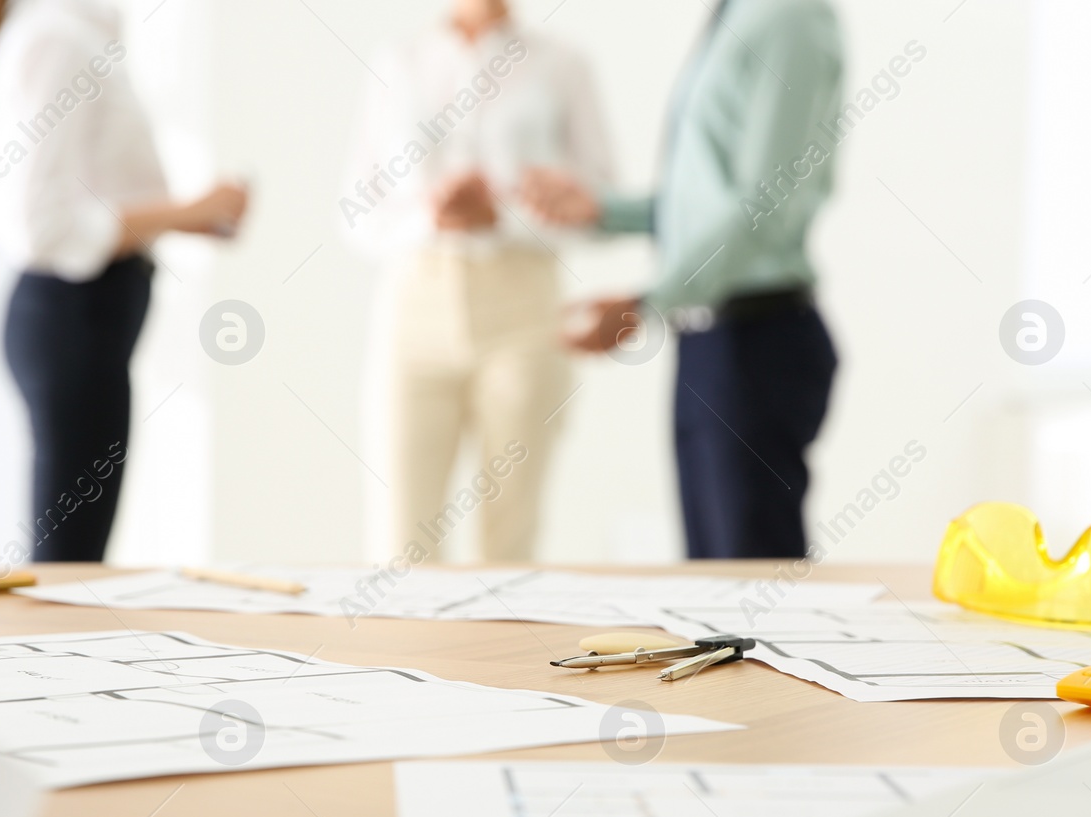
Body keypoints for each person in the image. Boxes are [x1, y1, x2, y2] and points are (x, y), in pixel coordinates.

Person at [522, 0, 843, 559]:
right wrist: (604, 210)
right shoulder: (737, 15)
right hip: (709, 340)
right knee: (713, 588)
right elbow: (712, 199)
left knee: (752, 593)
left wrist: (648, 300)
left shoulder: (787, 16)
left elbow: (761, 204)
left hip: (757, 341)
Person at [0, 0, 247, 561]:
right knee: (67, 568)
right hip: (73, 321)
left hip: (83, 322)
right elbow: (44, 226)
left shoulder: (81, 35)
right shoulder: (59, 41)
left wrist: (187, 216)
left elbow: (82, 201)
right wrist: (185, 212)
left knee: (71, 560)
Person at [341, 0, 611, 562]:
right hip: (415, 303)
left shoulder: (561, 64)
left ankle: (503, 652)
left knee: (510, 537)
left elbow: (600, 200)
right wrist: (430, 215)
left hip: (523, 306)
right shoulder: (399, 61)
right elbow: (358, 212)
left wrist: (505, 217)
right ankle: (405, 652)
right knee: (400, 542)